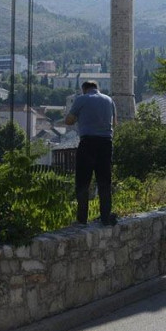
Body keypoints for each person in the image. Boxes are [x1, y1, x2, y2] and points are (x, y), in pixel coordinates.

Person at [65, 80, 118, 225]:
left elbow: (68, 120)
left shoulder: (81, 99)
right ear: (97, 88)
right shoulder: (109, 100)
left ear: (84, 89)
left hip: (88, 143)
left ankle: (82, 220)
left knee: (83, 182)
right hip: (106, 144)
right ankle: (105, 217)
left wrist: (80, 119)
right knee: (104, 182)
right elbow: (115, 124)